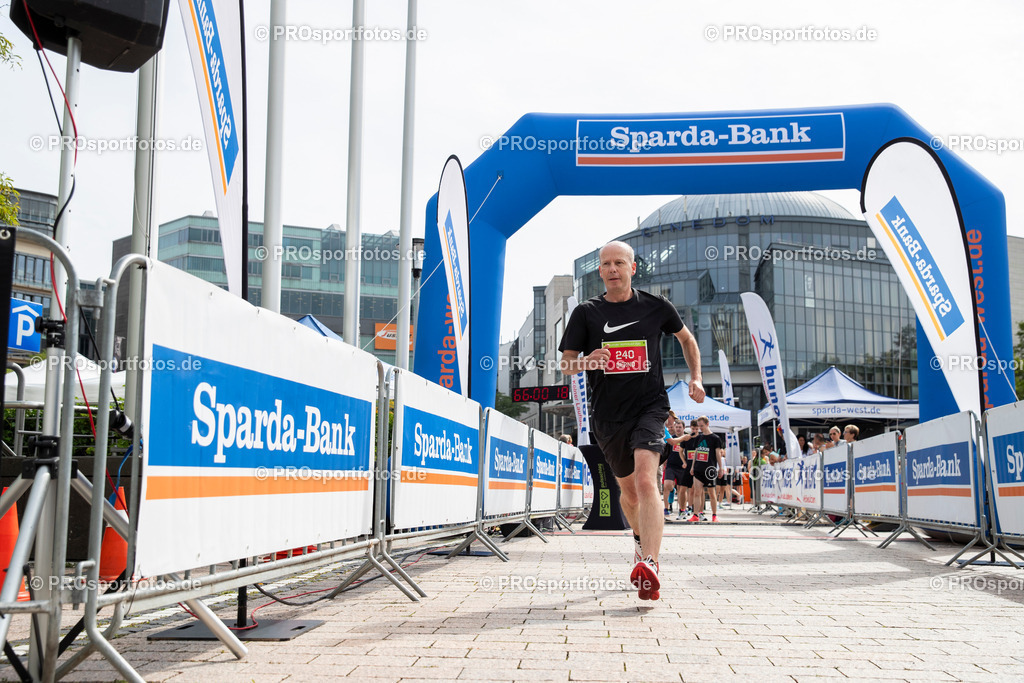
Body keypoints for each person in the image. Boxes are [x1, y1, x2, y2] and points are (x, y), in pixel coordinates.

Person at [559, 240, 705, 601]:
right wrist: (587, 362)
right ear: (600, 272)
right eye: (606, 264)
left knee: (645, 479)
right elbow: (566, 363)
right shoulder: (586, 313)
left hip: (651, 406)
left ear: (632, 268)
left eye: (619, 263)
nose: (612, 269)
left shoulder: (656, 306)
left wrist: (696, 377)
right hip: (608, 416)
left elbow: (687, 340)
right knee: (628, 493)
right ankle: (640, 545)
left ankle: (652, 563)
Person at [687, 416, 724, 522]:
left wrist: (720, 468)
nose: (700, 428)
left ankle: (714, 515)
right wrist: (693, 466)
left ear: (707, 424)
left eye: (702, 426)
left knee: (712, 493)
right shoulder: (699, 438)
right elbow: (696, 453)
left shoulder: (715, 438)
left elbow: (718, 454)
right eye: (699, 426)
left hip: (710, 470)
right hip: (698, 468)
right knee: (697, 492)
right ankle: (696, 515)